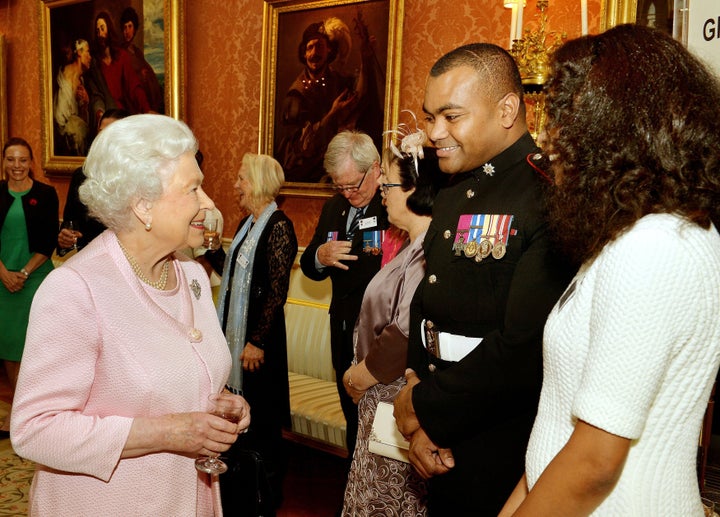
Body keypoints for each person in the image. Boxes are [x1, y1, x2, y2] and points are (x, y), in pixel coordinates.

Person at [499, 24, 720, 516]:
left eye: (563, 118)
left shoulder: (654, 247)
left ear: (615, 126)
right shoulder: (632, 237)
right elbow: (562, 426)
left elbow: (595, 463)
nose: (549, 141)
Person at [10, 114, 250, 515]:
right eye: (193, 188)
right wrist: (171, 431)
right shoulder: (76, 288)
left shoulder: (191, 275)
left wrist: (223, 402)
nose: (208, 203)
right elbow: (35, 430)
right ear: (143, 205)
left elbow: (175, 377)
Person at [392, 43, 573, 516]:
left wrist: (427, 412)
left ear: (508, 109)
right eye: (431, 117)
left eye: (451, 117)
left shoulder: (549, 197)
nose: (434, 133)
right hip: (439, 419)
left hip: (503, 435)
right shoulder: (454, 191)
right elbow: (428, 299)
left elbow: (523, 346)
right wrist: (415, 380)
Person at [341, 136, 444, 516]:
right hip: (379, 403)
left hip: (393, 405)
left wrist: (356, 379)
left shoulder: (427, 252)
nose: (381, 193)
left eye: (387, 185)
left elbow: (402, 334)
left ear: (415, 189)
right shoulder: (411, 245)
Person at [203, 153, 297, 511]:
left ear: (256, 182)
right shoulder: (247, 224)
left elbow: (276, 291)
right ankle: (240, 493)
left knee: (264, 425)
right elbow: (234, 277)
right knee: (239, 423)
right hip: (238, 343)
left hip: (261, 346)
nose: (236, 184)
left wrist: (256, 341)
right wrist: (214, 251)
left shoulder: (279, 227)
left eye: (242, 178)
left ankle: (264, 498)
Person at [300, 130, 388, 460]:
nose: (349, 193)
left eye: (355, 184)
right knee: (351, 418)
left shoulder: (394, 206)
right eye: (341, 186)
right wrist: (320, 256)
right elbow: (309, 263)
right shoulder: (333, 207)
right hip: (341, 329)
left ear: (376, 169)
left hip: (380, 336)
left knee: (379, 425)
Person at [276, 14, 384, 183]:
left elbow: (358, 98)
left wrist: (365, 57)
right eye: (309, 48)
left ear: (329, 50)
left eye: (319, 46)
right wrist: (332, 113)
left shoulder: (337, 79)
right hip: (306, 170)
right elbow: (301, 147)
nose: (314, 53)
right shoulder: (296, 94)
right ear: (304, 54)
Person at [0, 138, 58, 438]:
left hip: (34, 277)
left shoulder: (46, 194)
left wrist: (22, 273)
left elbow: (48, 241)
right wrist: (4, 274)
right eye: (11, 159)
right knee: (9, 344)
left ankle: (32, 408)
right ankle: (16, 408)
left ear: (31, 162)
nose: (17, 166)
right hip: (1, 278)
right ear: (4, 161)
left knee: (33, 344)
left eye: (22, 160)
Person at [58, 108, 130, 254]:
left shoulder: (138, 176)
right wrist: (65, 239)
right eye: (101, 133)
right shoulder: (82, 175)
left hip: (130, 263)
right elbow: (70, 224)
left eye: (111, 133)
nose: (103, 139)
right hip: (89, 261)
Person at [85, 11, 151, 132]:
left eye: (102, 28)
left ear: (109, 29)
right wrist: (100, 114)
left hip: (123, 116)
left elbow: (134, 86)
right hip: (105, 116)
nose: (100, 33)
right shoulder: (94, 64)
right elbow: (95, 96)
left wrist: (147, 109)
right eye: (97, 30)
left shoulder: (122, 56)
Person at [120, 7, 164, 113]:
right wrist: (140, 75)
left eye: (130, 26)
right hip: (132, 101)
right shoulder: (121, 52)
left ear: (134, 28)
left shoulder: (137, 51)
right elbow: (124, 80)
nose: (127, 31)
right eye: (124, 27)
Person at [54, 38, 91, 156]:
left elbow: (83, 122)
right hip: (65, 142)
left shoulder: (81, 81)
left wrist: (85, 103)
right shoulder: (65, 75)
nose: (90, 57)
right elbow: (60, 119)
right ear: (79, 53)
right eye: (88, 52)